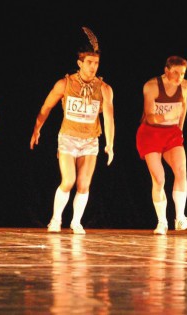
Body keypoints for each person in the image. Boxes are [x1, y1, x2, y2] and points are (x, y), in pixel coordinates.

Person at [30, 26, 114, 235]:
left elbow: (109, 117)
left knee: (84, 184)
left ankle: (76, 221)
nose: (93, 67)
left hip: (90, 140)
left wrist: (110, 144)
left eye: (96, 63)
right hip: (68, 138)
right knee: (68, 180)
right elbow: (46, 108)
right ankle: (56, 219)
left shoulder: (104, 88)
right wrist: (37, 129)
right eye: (89, 63)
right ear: (80, 63)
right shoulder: (65, 83)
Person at [136, 55, 187, 235]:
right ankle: (162, 222)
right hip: (150, 133)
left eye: (182, 73)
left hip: (172, 134)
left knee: (181, 170)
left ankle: (180, 218)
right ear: (166, 71)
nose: (179, 78)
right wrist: (169, 116)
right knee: (159, 179)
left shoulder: (185, 86)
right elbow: (150, 116)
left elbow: (184, 107)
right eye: (175, 73)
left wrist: (180, 129)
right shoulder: (151, 86)